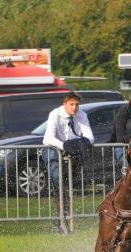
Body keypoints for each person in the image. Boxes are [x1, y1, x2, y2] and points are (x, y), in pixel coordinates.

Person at [42, 92, 94, 231]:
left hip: (72, 150)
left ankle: (67, 216)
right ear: (64, 104)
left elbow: (90, 137)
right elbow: (47, 139)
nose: (75, 107)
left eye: (77, 104)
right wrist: (64, 145)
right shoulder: (55, 114)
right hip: (53, 149)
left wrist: (81, 142)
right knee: (57, 179)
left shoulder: (82, 115)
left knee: (70, 183)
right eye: (71, 104)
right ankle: (60, 217)